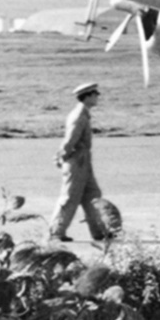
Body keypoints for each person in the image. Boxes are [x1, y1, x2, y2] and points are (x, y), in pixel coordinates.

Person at [51, 82, 113, 242]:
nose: (97, 97)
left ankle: (99, 231)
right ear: (88, 96)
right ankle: (56, 232)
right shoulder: (79, 115)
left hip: (83, 158)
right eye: (95, 94)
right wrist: (62, 156)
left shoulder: (83, 113)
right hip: (77, 159)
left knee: (92, 195)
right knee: (70, 196)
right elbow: (70, 139)